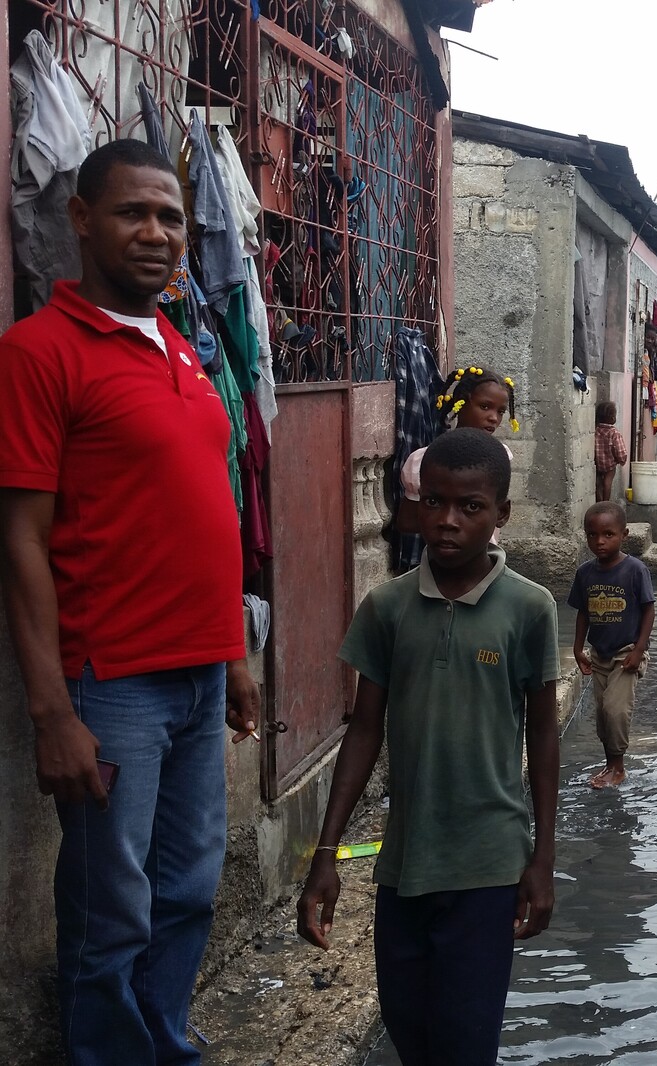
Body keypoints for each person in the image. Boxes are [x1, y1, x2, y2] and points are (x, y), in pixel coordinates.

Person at [0, 139, 260, 1066]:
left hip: (197, 675)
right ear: (80, 219)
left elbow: (210, 513)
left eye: (172, 218)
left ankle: (166, 1047)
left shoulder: (186, 352)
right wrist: (52, 711)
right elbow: (21, 539)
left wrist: (233, 653)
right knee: (113, 913)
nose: (155, 234)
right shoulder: (39, 355)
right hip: (112, 686)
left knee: (188, 889)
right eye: (131, 213)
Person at [297, 429, 560, 1066]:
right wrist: (325, 854)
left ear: (501, 516)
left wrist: (542, 859)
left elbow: (544, 736)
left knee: (466, 1046)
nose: (447, 522)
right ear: (414, 507)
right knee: (412, 1036)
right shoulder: (387, 608)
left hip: (488, 867)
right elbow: (364, 729)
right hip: (405, 867)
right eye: (434, 503)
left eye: (470, 507)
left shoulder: (530, 609)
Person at [569, 501, 655, 789]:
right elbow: (583, 611)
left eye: (608, 534)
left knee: (616, 711)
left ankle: (618, 768)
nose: (600, 541)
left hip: (626, 653)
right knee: (603, 716)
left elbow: (648, 610)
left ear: (624, 534)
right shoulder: (585, 573)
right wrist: (578, 648)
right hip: (599, 654)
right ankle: (610, 764)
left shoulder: (635, 570)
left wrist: (639, 650)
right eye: (592, 535)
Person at [398, 366, 517, 539]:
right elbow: (406, 521)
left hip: (485, 560)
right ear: (460, 403)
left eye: (500, 412)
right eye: (484, 406)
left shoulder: (500, 456)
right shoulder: (426, 460)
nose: (494, 418)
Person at [594, 400, 628, 503]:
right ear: (613, 418)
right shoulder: (614, 433)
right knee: (607, 482)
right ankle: (606, 502)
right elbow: (620, 451)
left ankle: (599, 501)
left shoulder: (596, 430)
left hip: (597, 463)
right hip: (609, 465)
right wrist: (621, 460)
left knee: (598, 483)